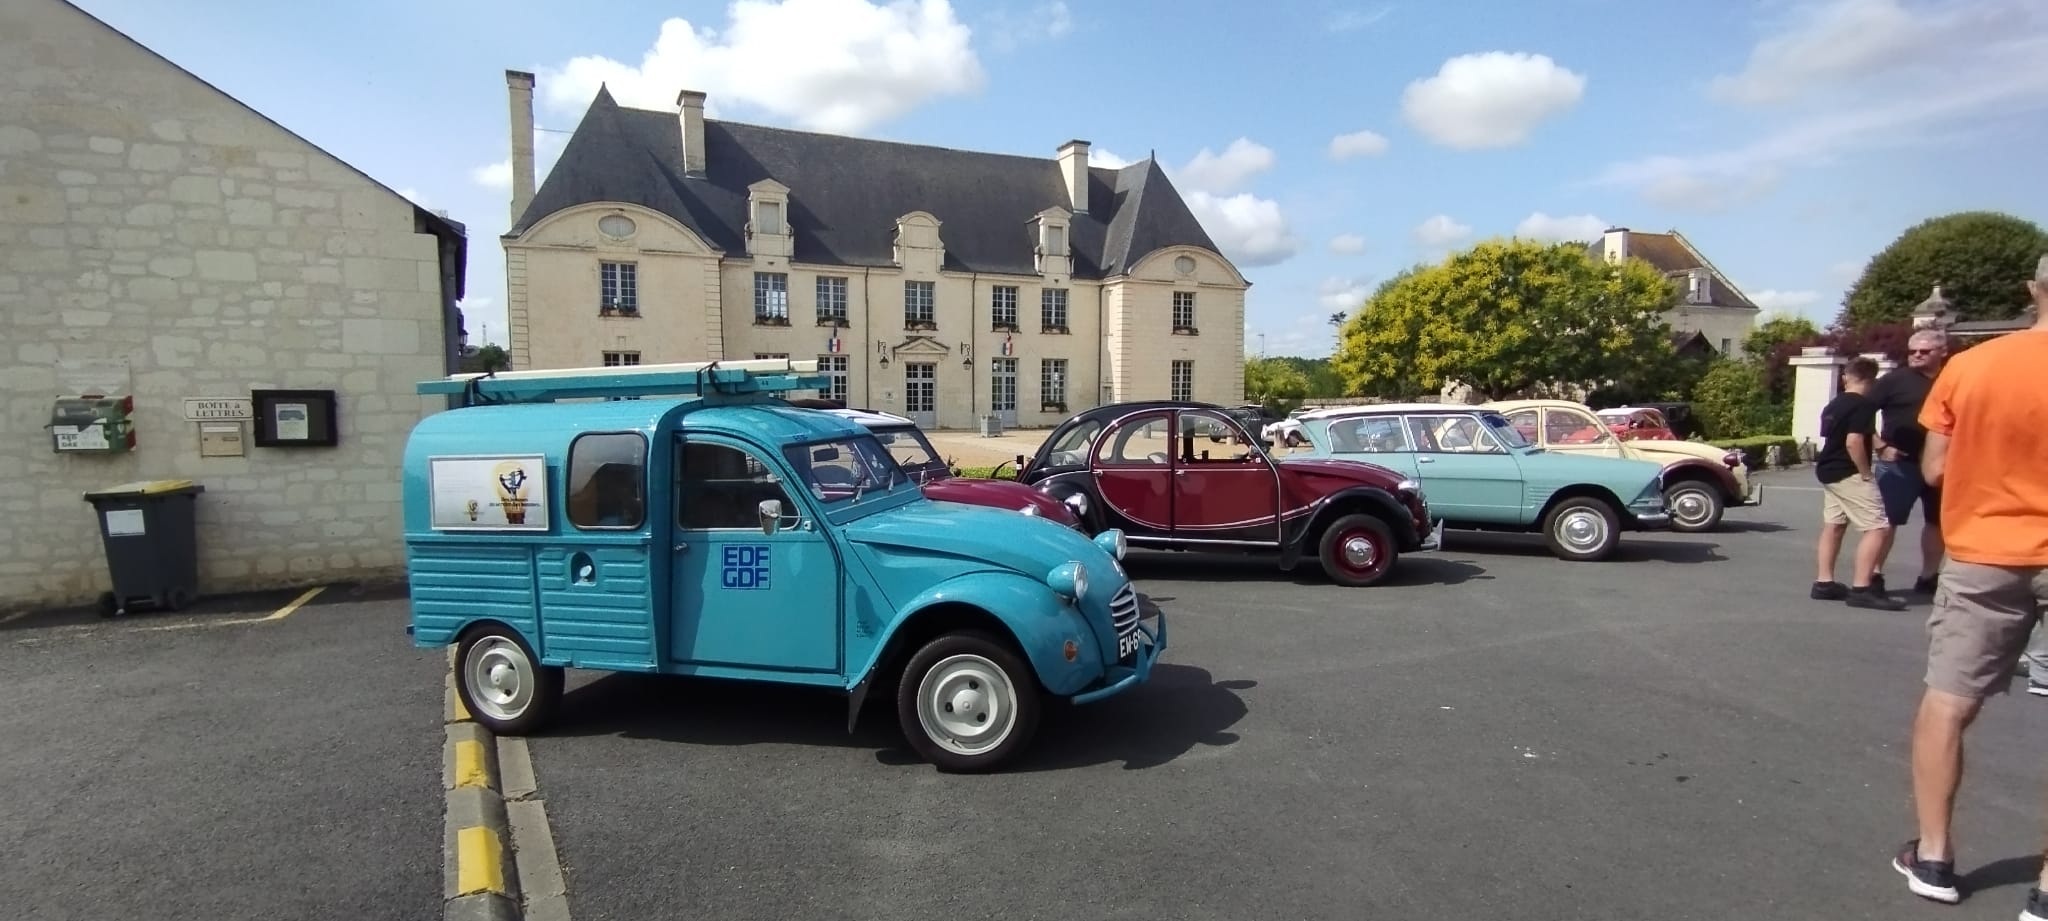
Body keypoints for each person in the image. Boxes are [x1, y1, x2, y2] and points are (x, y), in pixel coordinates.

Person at [1891, 255, 2048, 915]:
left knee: (1949, 703)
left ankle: (1935, 855)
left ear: (2035, 289)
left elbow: (1934, 468)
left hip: (1987, 550)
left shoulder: (1972, 366)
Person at [1810, 357, 1903, 609]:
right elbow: (1853, 441)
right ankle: (1862, 588)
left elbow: (1833, 437)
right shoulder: (1863, 406)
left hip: (1828, 470)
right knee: (1877, 528)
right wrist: (1865, 472)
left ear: (1845, 377)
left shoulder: (1834, 405)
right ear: (1872, 381)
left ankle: (1824, 582)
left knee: (1835, 524)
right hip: (1847, 471)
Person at [1866, 328, 1950, 595]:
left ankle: (1929, 577)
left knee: (1937, 522)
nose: (1916, 356)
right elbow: (1859, 414)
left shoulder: (1951, 379)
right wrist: (1880, 446)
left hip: (1942, 463)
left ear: (1942, 352)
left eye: (1924, 352)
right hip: (1899, 463)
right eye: (1913, 351)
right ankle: (1873, 576)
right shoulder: (1894, 381)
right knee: (1887, 521)